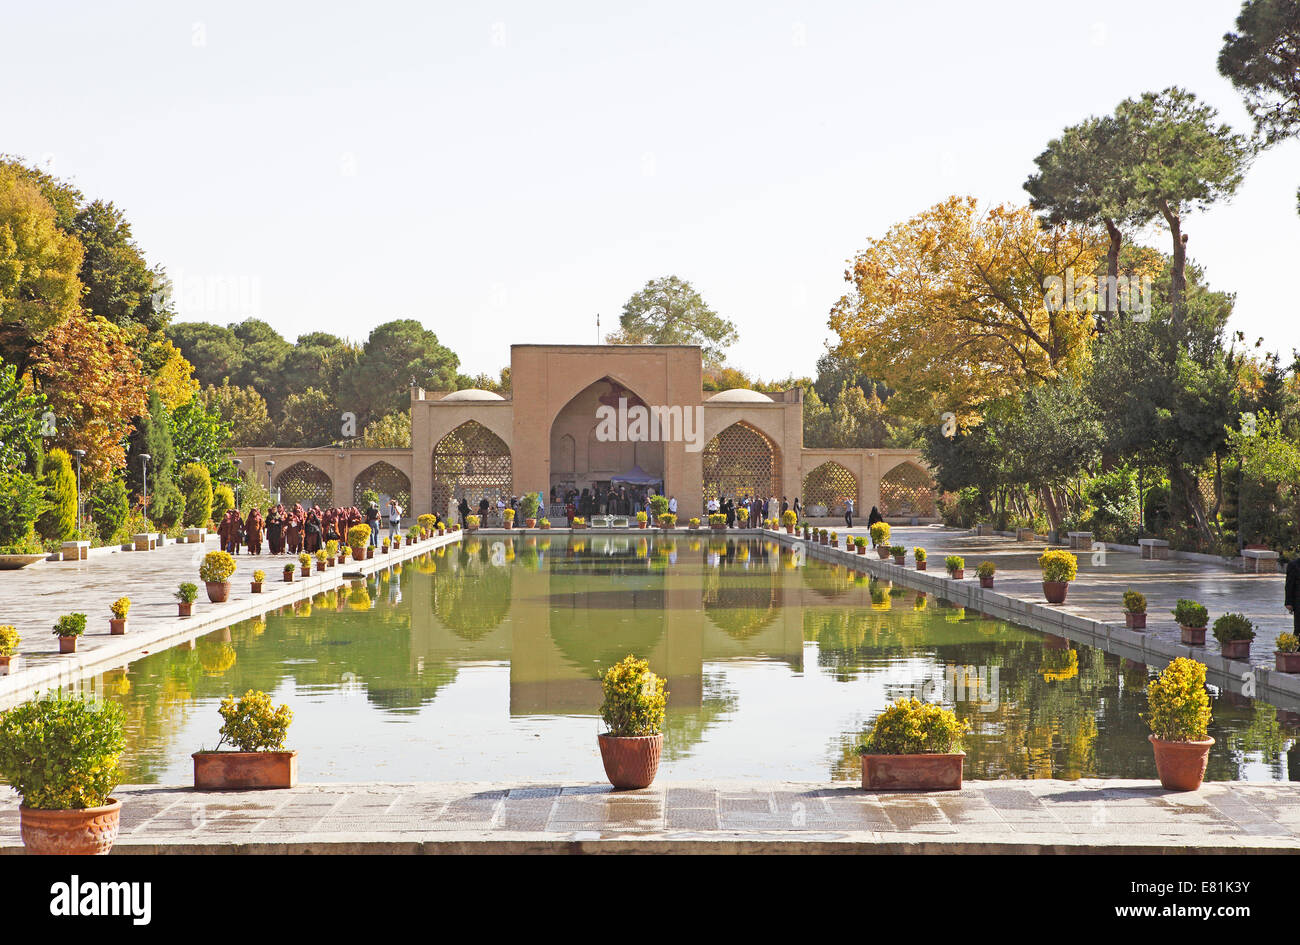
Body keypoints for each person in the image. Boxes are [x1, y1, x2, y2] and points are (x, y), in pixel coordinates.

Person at [1287, 553, 1300, 633]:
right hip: (1298, 602)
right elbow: (1289, 585)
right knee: (1298, 628)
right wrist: (1288, 602)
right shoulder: (1294, 565)